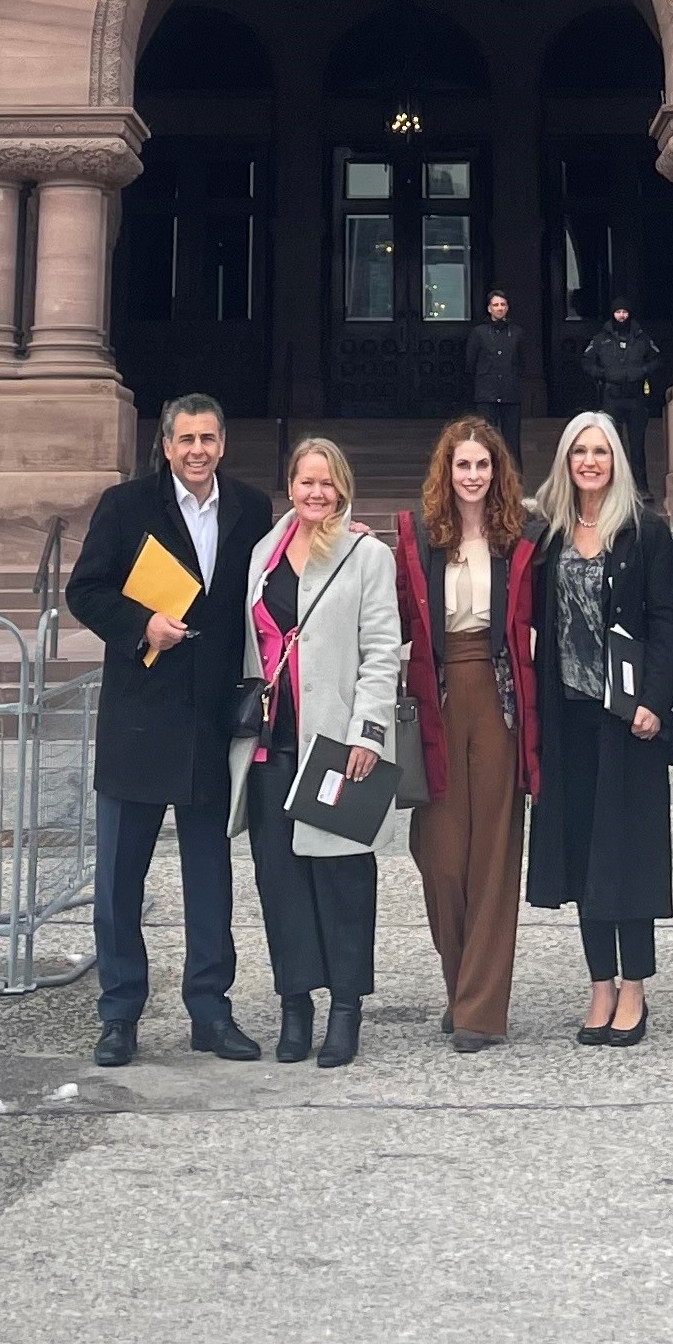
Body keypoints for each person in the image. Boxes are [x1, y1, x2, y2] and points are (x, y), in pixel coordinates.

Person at [65, 392, 270, 1068]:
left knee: (210, 876)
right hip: (140, 717)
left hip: (212, 720)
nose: (197, 451)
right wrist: (141, 625)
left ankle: (210, 1010)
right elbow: (85, 590)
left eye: (207, 439)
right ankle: (120, 1013)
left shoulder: (250, 508)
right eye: (186, 439)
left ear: (222, 443)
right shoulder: (125, 506)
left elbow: (275, 580)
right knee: (120, 880)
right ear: (166, 444)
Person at [235, 434, 405, 1067]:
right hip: (271, 746)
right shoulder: (263, 553)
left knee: (342, 877)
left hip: (335, 744)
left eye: (327, 482)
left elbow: (382, 651)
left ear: (343, 489)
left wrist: (369, 733)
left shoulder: (366, 555)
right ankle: (295, 1004)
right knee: (280, 881)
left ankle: (346, 1007)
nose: (316, 492)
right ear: (290, 486)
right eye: (306, 481)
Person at [525, 407, 673, 1045]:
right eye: (579, 451)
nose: (590, 461)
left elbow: (668, 620)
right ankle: (599, 984)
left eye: (601, 451)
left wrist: (656, 700)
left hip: (628, 719)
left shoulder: (645, 531)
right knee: (584, 849)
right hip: (569, 715)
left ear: (616, 461)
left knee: (629, 851)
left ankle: (635, 985)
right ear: (566, 461)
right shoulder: (549, 536)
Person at [392, 414, 538, 1047]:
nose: (473, 475)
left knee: (494, 857)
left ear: (496, 471)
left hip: (500, 699)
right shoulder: (419, 538)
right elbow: (393, 618)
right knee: (442, 858)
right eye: (463, 465)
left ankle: (480, 1010)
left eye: (483, 464)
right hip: (439, 694)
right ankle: (459, 988)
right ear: (445, 472)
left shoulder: (522, 538)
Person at [583, 302, 659, 487]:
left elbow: (656, 360)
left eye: (625, 312)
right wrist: (603, 374)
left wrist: (641, 371)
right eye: (618, 312)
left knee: (637, 447)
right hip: (611, 397)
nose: (622, 316)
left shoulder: (641, 338)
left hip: (635, 397)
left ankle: (641, 487)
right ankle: (611, 486)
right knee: (610, 444)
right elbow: (587, 362)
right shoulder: (601, 339)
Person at [467, 290, 527, 467]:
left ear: (507, 307)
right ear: (489, 308)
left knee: (512, 441)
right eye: (495, 305)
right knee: (485, 438)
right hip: (486, 393)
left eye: (502, 304)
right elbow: (470, 362)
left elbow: (521, 362)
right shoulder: (479, 333)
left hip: (510, 392)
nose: (499, 308)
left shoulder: (517, 333)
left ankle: (514, 477)